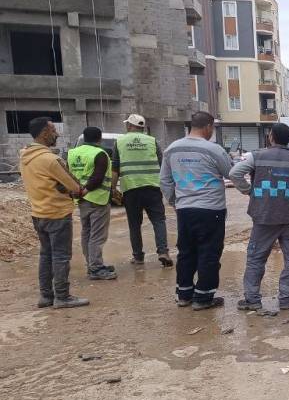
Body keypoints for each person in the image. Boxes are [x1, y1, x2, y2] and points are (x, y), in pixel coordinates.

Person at [229, 123, 289, 311]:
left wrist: (249, 191)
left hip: (264, 216)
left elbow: (234, 174)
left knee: (256, 258)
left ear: (271, 137)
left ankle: (252, 300)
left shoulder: (256, 156)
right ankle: (285, 300)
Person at [160, 111, 232, 311]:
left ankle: (184, 294)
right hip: (211, 209)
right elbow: (231, 173)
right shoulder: (214, 150)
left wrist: (175, 202)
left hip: (184, 209)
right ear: (208, 127)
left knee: (186, 251)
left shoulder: (172, 149)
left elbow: (164, 180)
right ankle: (203, 297)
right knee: (209, 252)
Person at [19, 117, 89, 309]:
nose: (56, 134)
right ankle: (62, 296)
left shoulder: (24, 156)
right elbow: (75, 187)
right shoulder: (51, 160)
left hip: (38, 213)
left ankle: (46, 296)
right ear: (44, 133)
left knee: (46, 255)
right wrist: (79, 190)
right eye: (53, 130)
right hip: (57, 214)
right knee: (61, 256)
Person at [111, 114, 172, 267]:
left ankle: (138, 257)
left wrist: (112, 188)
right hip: (152, 187)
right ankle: (163, 252)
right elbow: (163, 165)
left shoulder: (120, 142)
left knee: (134, 224)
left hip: (131, 188)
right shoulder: (152, 141)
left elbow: (115, 168)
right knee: (158, 221)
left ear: (129, 126)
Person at [68, 127, 116, 280]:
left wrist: (79, 192)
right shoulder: (100, 153)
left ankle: (92, 264)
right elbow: (97, 177)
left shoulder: (72, 153)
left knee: (87, 232)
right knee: (97, 235)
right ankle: (96, 268)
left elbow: (69, 175)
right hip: (97, 198)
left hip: (81, 199)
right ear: (99, 138)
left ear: (84, 138)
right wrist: (87, 190)